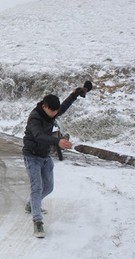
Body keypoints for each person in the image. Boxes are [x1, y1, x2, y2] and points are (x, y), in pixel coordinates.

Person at [22, 80, 93, 238]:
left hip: (44, 156)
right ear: (45, 106)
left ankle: (31, 205)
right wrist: (57, 142)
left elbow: (65, 106)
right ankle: (38, 223)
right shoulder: (34, 118)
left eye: (56, 112)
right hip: (31, 156)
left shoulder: (52, 111)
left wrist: (76, 94)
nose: (55, 114)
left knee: (49, 187)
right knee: (36, 187)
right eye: (52, 112)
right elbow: (39, 136)